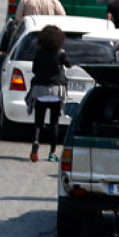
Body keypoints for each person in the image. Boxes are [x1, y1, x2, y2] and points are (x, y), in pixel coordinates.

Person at [26, 25, 73, 163]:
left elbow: (35, 70)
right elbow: (69, 65)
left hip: (40, 90)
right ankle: (52, 153)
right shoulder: (60, 53)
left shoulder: (39, 53)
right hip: (56, 91)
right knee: (54, 123)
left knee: (38, 121)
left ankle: (36, 141)